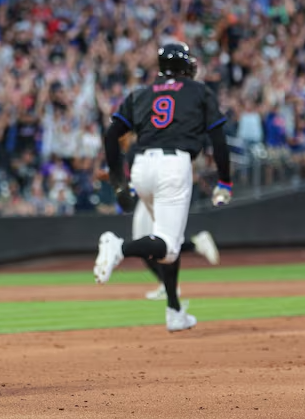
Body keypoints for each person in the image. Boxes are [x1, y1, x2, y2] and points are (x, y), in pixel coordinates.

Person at [95, 42, 232, 332]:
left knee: (166, 238)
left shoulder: (141, 93)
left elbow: (111, 136)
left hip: (142, 168)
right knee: (168, 247)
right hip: (173, 166)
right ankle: (118, 247)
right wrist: (224, 181)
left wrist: (119, 181)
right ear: (186, 66)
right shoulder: (198, 90)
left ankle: (174, 311)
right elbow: (218, 139)